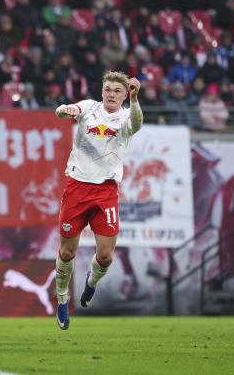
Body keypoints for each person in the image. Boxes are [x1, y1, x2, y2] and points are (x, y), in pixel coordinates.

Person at [53, 71, 143, 330]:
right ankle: (61, 299)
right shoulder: (89, 107)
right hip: (77, 188)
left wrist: (136, 100)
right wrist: (65, 109)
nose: (111, 94)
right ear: (102, 91)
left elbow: (137, 124)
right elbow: (64, 110)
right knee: (67, 251)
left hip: (106, 193)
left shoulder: (127, 116)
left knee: (105, 257)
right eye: (108, 89)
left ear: (125, 94)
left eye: (117, 90)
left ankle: (90, 283)